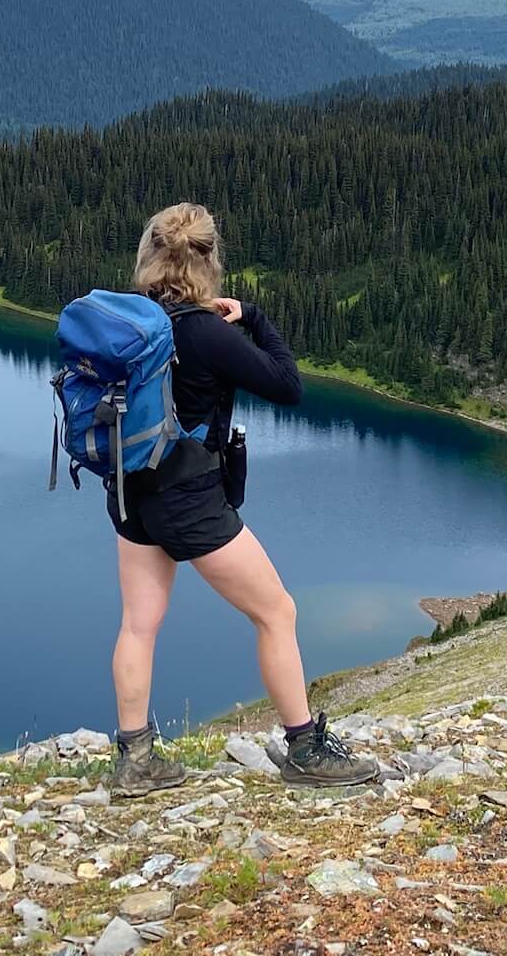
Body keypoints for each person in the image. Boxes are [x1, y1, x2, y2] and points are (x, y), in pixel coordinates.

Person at [107, 202, 380, 795]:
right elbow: (288, 386)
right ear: (208, 260)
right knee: (276, 612)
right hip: (191, 499)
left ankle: (135, 761)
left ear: (150, 256)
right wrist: (253, 318)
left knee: (139, 624)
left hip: (131, 492)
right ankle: (304, 747)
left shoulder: (131, 322)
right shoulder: (207, 331)